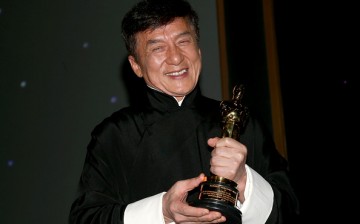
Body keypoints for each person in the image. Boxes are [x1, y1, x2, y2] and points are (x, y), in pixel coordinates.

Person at [69, 0, 300, 223]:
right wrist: (162, 211)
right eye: (158, 48)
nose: (176, 58)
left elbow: (289, 209)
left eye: (183, 42)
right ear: (136, 66)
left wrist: (245, 181)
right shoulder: (115, 135)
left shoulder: (242, 122)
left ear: (198, 49)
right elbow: (86, 218)